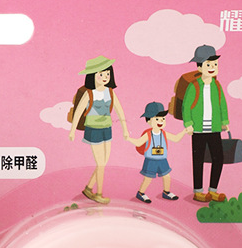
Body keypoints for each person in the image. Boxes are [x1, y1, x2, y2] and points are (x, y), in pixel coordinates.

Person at [68, 56, 128, 203]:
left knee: (103, 162)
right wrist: (72, 130)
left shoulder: (110, 92)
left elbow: (120, 111)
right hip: (93, 130)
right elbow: (78, 111)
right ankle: (99, 194)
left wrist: (125, 129)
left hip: (107, 129)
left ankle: (88, 188)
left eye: (107, 74)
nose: (105, 77)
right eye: (101, 74)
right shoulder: (89, 94)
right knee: (101, 164)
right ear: (93, 76)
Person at [182, 44, 229, 202]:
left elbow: (222, 104)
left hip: (214, 128)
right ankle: (198, 191)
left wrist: (224, 121)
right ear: (199, 67)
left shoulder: (217, 85)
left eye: (215, 64)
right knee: (198, 160)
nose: (212, 67)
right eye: (208, 65)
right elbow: (186, 106)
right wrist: (188, 124)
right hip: (198, 130)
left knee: (218, 158)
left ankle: (213, 190)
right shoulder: (194, 86)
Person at [125, 102, 192, 203]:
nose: (161, 121)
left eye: (163, 119)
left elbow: (175, 138)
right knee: (148, 178)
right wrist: (129, 139)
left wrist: (184, 131)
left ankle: (166, 192)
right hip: (151, 160)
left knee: (167, 176)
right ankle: (141, 193)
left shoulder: (164, 133)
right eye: (157, 119)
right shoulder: (148, 134)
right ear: (149, 120)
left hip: (162, 160)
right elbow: (139, 142)